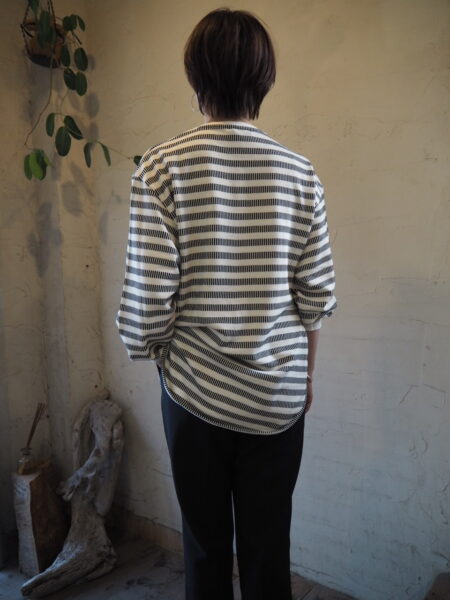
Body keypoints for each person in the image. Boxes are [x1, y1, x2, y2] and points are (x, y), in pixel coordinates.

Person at [116, 8, 337, 600]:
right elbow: (315, 298)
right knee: (269, 549)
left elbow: (145, 315)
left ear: (196, 77)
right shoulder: (301, 174)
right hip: (278, 396)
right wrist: (304, 378)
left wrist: (163, 355)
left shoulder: (160, 169)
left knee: (204, 548)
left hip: (195, 396)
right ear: (264, 80)